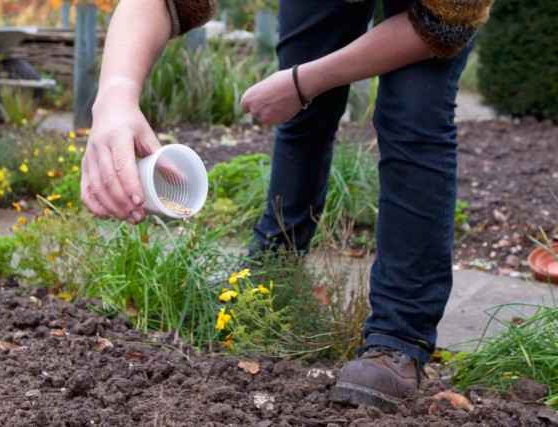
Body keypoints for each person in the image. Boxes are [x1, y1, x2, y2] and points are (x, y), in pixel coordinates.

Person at [80, 0, 494, 410]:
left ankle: (399, 338)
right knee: (302, 118)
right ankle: (269, 279)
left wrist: (302, 82)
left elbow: (442, 25)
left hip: (436, 12)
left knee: (413, 113)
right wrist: (115, 98)